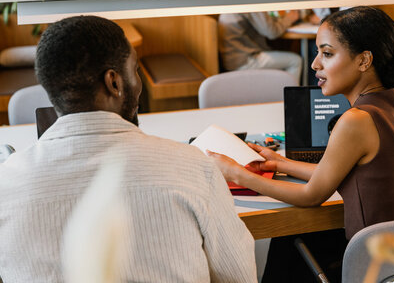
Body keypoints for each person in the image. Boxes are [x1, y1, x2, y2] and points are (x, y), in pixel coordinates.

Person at [0, 16, 257, 283]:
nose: (137, 80)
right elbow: (240, 278)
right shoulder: (193, 167)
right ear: (114, 82)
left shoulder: (5, 186)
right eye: (135, 70)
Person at [210, 6, 394, 281]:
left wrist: (235, 173)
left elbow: (312, 195)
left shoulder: (357, 120)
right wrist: (278, 162)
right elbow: (336, 172)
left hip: (374, 265)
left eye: (326, 53)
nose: (315, 64)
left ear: (364, 60)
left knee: (286, 240)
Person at [219, 0, 302, 83]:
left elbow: (266, 25)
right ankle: (288, 100)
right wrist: (290, 18)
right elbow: (271, 32)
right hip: (244, 60)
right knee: (295, 61)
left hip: (232, 58)